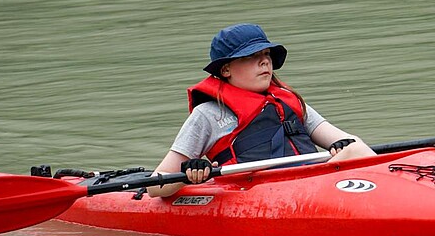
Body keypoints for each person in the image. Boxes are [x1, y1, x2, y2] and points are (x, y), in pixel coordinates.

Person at [148, 23, 376, 197]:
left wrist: (343, 146)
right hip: (258, 193)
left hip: (314, 183)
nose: (265, 62)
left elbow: (345, 141)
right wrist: (190, 175)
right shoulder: (208, 115)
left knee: (355, 148)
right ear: (226, 69)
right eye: (252, 57)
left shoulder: (288, 101)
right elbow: (155, 186)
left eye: (266, 55)